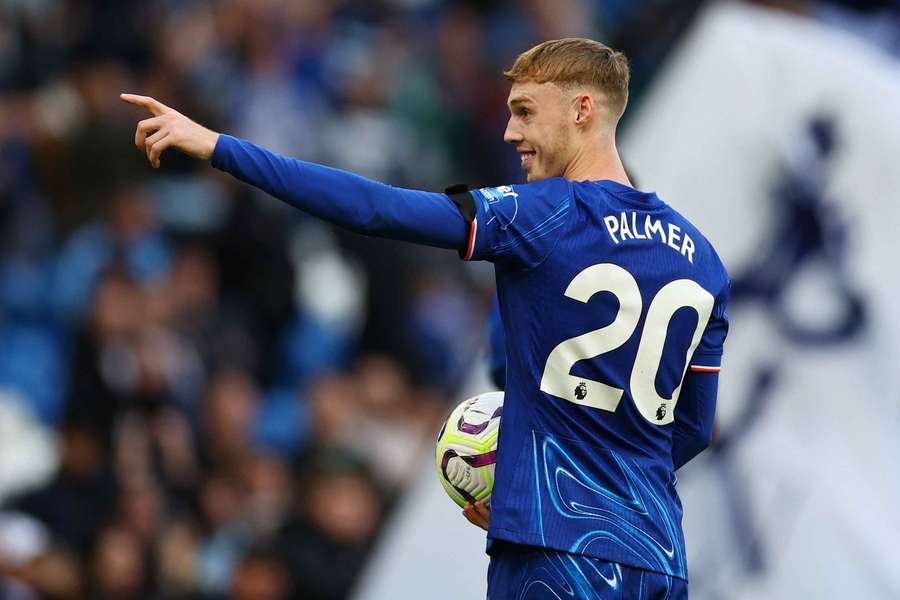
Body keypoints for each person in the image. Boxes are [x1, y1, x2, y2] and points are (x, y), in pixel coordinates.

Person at [122, 37, 728, 599]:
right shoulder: (703, 260)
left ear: (582, 110)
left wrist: (220, 147)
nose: (511, 132)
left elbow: (377, 209)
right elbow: (694, 429)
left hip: (555, 545)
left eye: (524, 111)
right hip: (657, 553)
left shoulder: (539, 216)